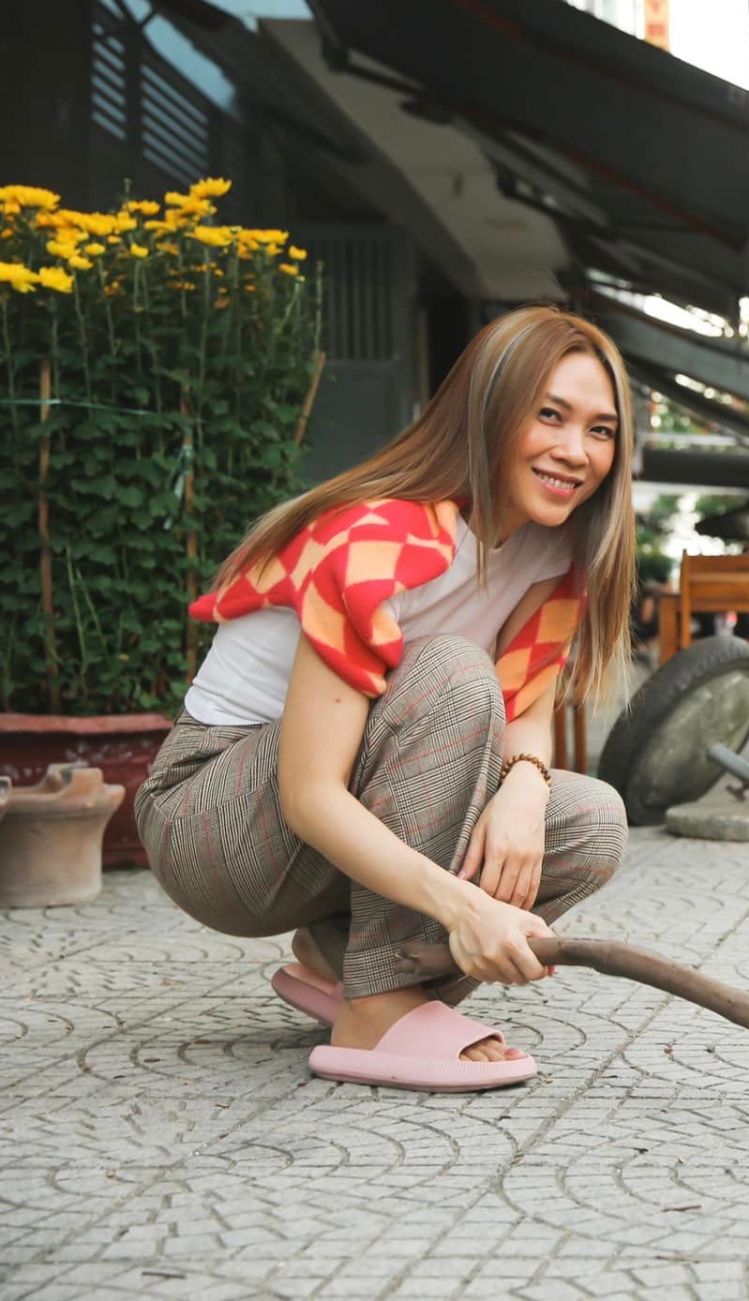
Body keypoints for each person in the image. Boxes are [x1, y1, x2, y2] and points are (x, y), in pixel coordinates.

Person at [135, 305, 636, 1093]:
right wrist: (465, 909)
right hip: (212, 819)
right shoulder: (380, 537)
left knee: (590, 821)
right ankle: (380, 1004)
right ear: (488, 410)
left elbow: (527, 698)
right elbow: (309, 797)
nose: (576, 452)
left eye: (601, 430)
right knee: (452, 674)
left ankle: (344, 960)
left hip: (330, 824)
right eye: (551, 416)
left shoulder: (551, 544)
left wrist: (527, 786)